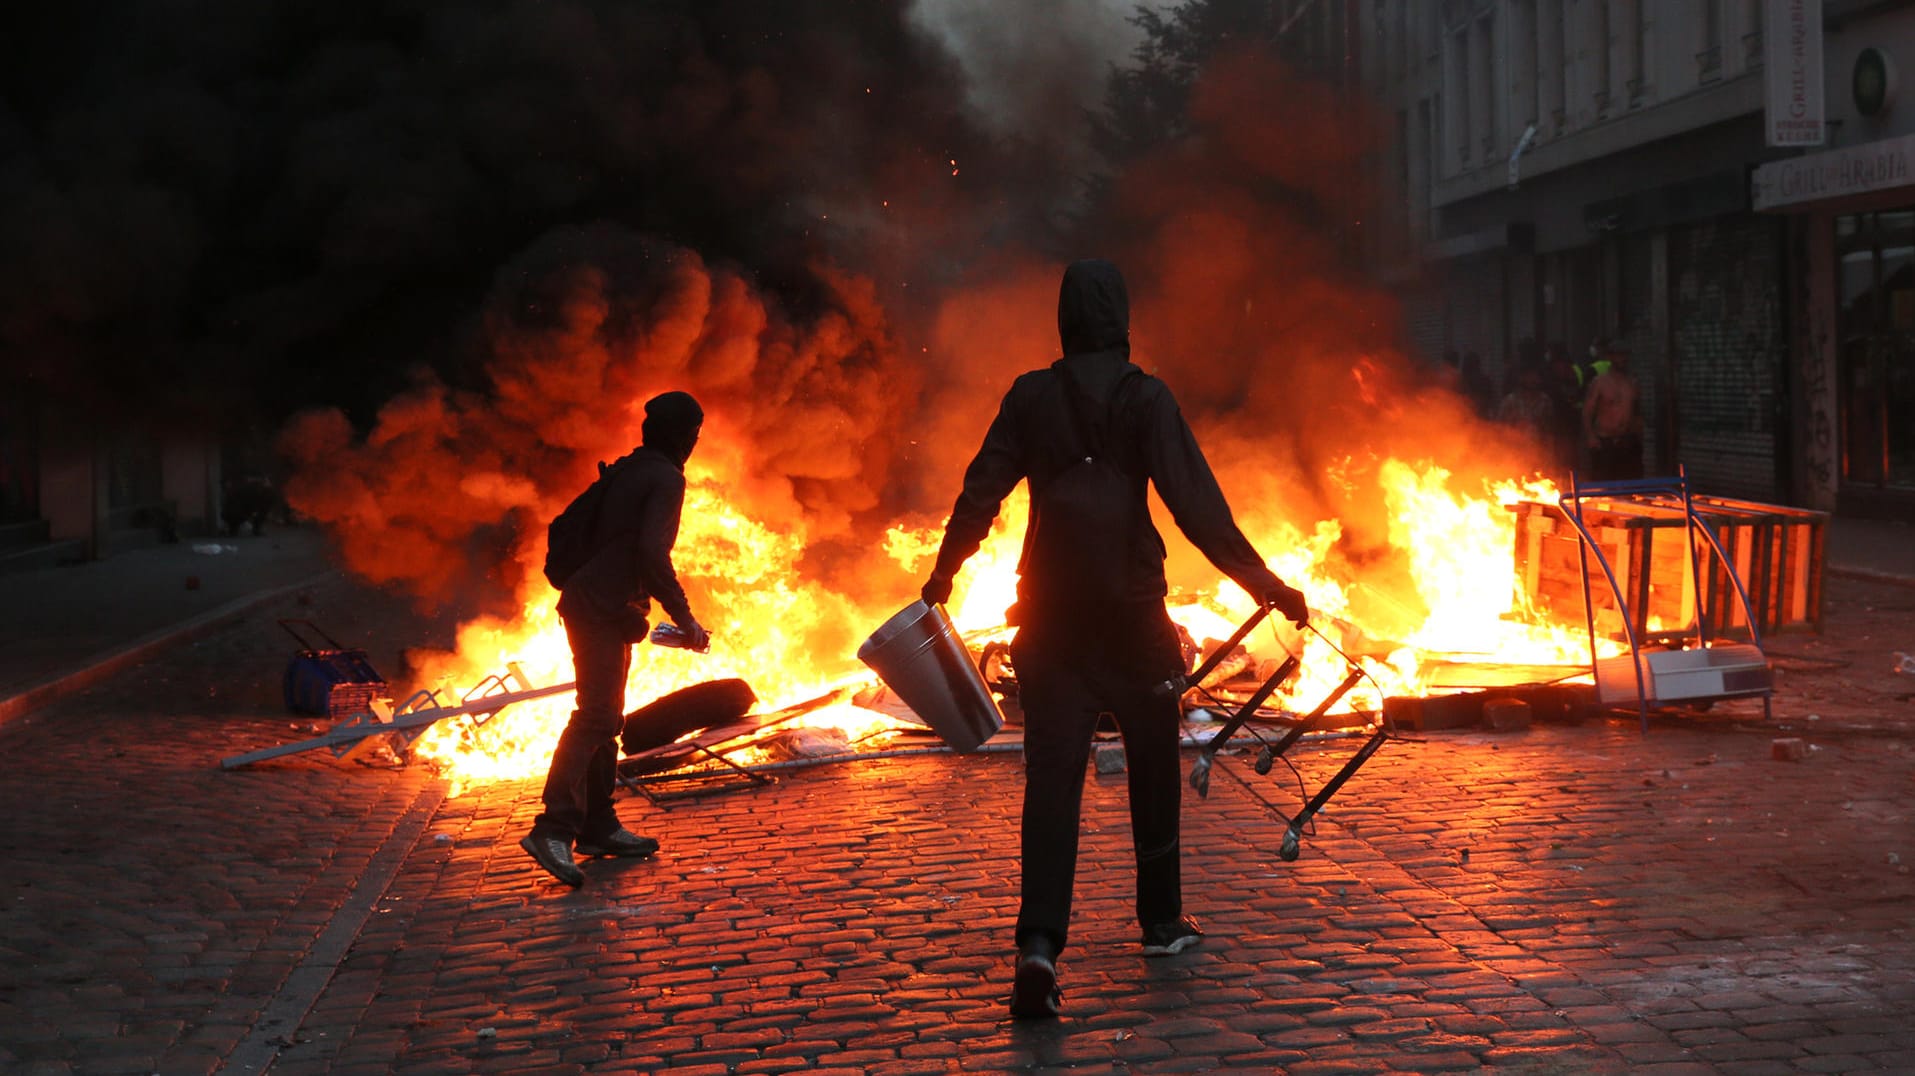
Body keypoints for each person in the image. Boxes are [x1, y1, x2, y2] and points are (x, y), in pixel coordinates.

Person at [918, 259, 1309, 1020]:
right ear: (1121, 318)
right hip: (1133, 617)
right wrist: (1266, 584)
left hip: (1050, 620)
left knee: (1052, 781)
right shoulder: (1144, 398)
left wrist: (942, 577)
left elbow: (980, 492)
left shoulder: (1030, 397)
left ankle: (1038, 945)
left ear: (1063, 319)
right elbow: (1197, 506)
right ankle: (1160, 921)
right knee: (1153, 766)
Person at [521, 390, 711, 887]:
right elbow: (652, 553)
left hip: (604, 606)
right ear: (685, 436)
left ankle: (599, 826)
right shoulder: (666, 477)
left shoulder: (633, 467)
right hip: (598, 609)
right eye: (693, 434)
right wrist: (685, 617)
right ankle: (553, 827)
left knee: (609, 717)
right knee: (598, 716)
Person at [1582, 343, 1643, 480]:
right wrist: (1591, 436)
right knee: (1604, 486)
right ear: (1610, 357)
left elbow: (1637, 412)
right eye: (1618, 355)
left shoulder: (1632, 383)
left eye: (1624, 355)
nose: (1622, 359)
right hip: (1605, 442)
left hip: (1627, 441)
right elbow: (1587, 411)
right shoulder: (1600, 383)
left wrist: (1638, 435)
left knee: (1630, 485)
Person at [1495, 363, 1555, 447]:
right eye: (1528, 376)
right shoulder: (1510, 402)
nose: (1532, 379)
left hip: (1538, 451)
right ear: (1521, 378)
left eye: (1535, 376)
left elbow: (1549, 431)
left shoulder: (1545, 401)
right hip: (1515, 450)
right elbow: (1500, 427)